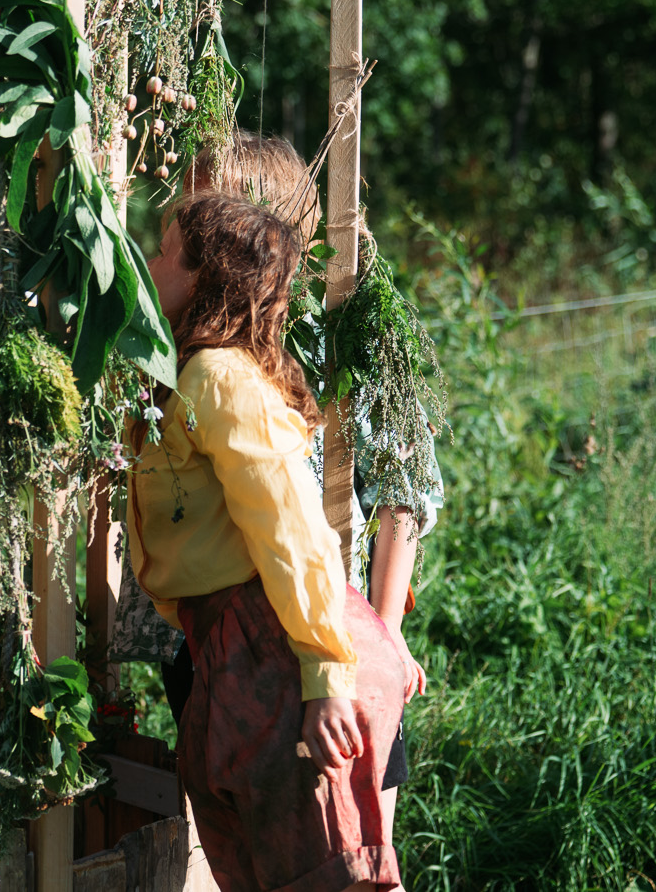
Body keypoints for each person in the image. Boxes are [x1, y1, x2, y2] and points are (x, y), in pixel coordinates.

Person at [139, 194, 405, 892]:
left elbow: (293, 531)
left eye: (167, 251)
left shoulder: (219, 378)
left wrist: (322, 677)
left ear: (203, 276)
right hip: (233, 651)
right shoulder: (180, 372)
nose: (150, 259)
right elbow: (77, 370)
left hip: (279, 649)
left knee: (332, 882)